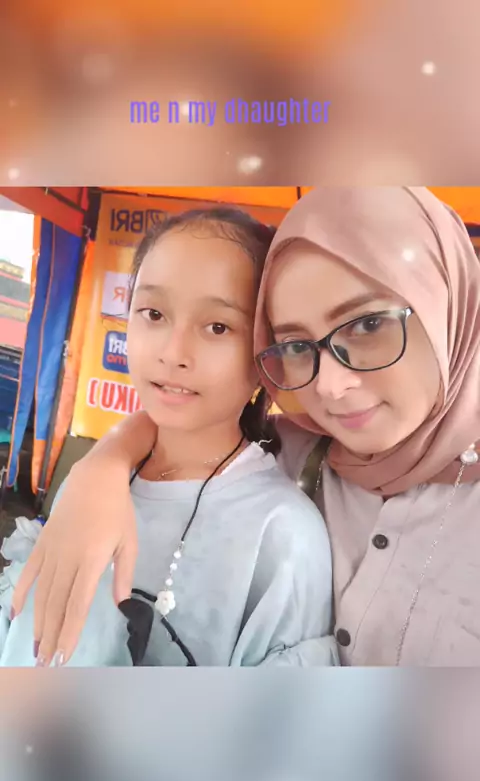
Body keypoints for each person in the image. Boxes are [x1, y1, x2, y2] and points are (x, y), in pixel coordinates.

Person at [7, 186, 480, 666]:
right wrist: (101, 466)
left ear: (449, 304)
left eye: (369, 325)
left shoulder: (282, 524)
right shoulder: (300, 446)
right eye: (297, 344)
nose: (331, 386)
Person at [0, 206, 337, 667]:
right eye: (154, 313)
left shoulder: (283, 536)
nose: (173, 352)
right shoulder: (90, 484)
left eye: (217, 327)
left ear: (267, 354)